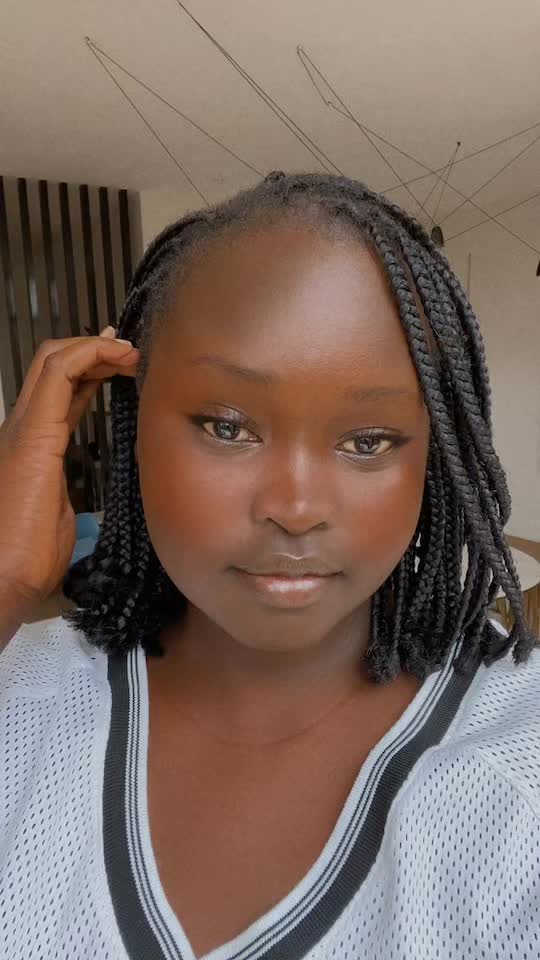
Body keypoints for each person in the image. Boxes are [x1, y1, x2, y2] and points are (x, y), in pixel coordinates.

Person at [0, 172, 538, 960]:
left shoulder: (521, 764)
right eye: (227, 426)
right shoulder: (21, 691)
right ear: (131, 422)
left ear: (434, 459)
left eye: (368, 441)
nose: (295, 506)